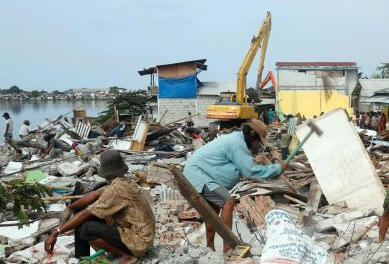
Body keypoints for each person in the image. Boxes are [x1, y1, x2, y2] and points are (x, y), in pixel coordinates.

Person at [183, 119, 287, 253]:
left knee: (212, 212)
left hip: (200, 173)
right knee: (228, 202)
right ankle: (228, 247)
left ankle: (209, 248)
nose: (257, 146)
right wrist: (277, 169)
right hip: (198, 174)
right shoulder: (237, 143)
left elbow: (243, 166)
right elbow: (249, 171)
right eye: (257, 142)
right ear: (252, 135)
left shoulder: (236, 140)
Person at [45, 150, 155, 263]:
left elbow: (87, 212)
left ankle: (126, 256)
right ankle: (90, 256)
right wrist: (70, 207)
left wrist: (57, 232)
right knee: (86, 219)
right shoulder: (125, 182)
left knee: (86, 228)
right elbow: (95, 194)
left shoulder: (116, 190)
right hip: (143, 237)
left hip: (138, 242)